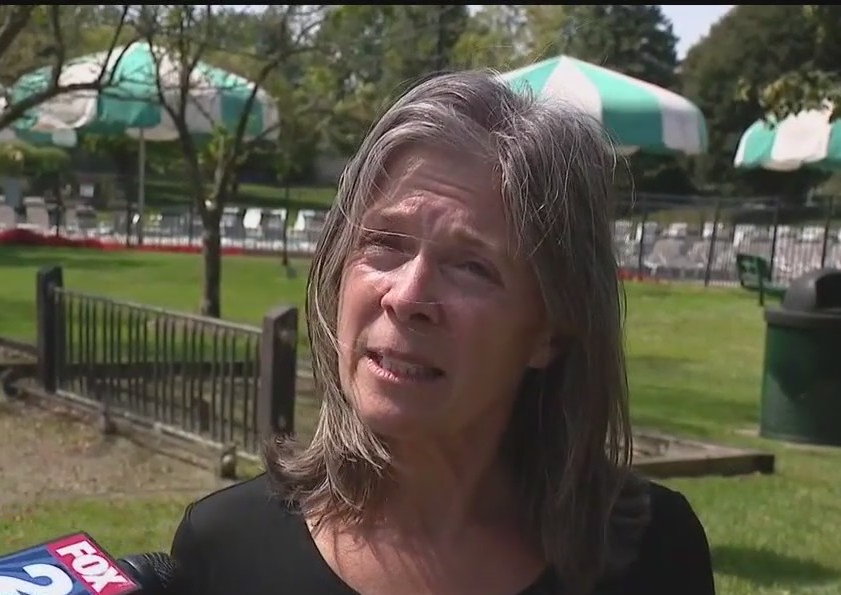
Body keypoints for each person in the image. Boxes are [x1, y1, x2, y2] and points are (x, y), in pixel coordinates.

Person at [169, 69, 716, 595]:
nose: (407, 297)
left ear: (549, 330)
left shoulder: (652, 557)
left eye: (472, 266)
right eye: (385, 243)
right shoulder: (225, 552)